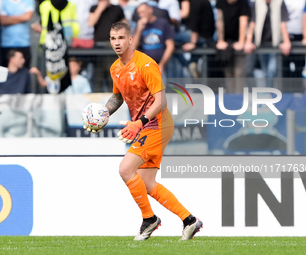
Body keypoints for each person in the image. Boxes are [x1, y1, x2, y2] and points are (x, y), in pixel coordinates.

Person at [84, 22, 203, 240]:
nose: (117, 42)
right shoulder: (115, 68)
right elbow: (118, 96)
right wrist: (104, 114)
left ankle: (149, 219)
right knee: (146, 183)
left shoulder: (146, 64)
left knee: (125, 169)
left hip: (157, 123)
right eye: (113, 38)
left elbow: (161, 100)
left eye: (121, 38)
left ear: (131, 39)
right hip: (146, 125)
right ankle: (189, 220)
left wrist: (140, 122)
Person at [244, 0, 291, 88]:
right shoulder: (256, 4)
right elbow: (252, 23)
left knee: (272, 70)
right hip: (260, 44)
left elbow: (283, 23)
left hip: (274, 45)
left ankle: (269, 92)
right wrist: (248, 41)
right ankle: (263, 92)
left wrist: (286, 41)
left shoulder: (280, 3)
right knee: (263, 70)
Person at [215, 0, 251, 93]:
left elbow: (244, 22)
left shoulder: (243, 3)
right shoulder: (220, 2)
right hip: (226, 44)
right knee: (228, 73)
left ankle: (238, 99)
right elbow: (220, 20)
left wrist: (241, 42)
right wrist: (221, 40)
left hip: (239, 43)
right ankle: (231, 99)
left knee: (239, 73)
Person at [132, 2, 175, 74]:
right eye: (139, 13)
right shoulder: (140, 26)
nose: (141, 15)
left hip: (162, 63)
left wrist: (162, 64)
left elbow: (170, 45)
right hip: (146, 65)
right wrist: (139, 30)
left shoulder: (162, 23)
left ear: (150, 10)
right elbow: (132, 48)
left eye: (143, 12)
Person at [0, 0, 35, 68]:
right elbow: (2, 20)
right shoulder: (3, 1)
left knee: (24, 72)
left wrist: (9, 18)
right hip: (6, 44)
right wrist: (22, 18)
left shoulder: (28, 1)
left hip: (24, 43)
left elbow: (27, 17)